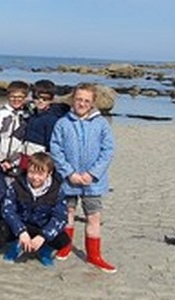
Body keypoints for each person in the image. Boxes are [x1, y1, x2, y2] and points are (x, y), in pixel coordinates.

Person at [50, 83, 116, 273]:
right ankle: (65, 246)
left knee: (93, 217)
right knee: (67, 214)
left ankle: (94, 256)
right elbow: (56, 150)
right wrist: (69, 173)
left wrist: (92, 174)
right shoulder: (62, 123)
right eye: (79, 99)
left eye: (86, 100)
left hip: (93, 182)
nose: (82, 103)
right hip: (68, 179)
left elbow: (108, 150)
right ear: (73, 99)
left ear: (93, 102)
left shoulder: (101, 123)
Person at [1, 153, 70, 267]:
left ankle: (45, 251)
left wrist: (43, 236)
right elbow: (7, 209)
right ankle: (15, 246)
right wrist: (21, 231)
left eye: (40, 174)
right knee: (2, 228)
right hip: (22, 222)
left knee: (63, 239)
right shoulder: (16, 185)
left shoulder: (56, 191)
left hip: (42, 225)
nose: (35, 177)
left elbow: (60, 217)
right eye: (31, 172)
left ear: (49, 173)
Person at [0, 80, 31, 177]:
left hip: (16, 162)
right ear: (7, 97)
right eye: (12, 97)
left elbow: (24, 141)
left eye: (20, 97)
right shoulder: (0, 113)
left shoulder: (27, 115)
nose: (16, 100)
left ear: (25, 98)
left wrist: (13, 160)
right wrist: (0, 159)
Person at [24, 79, 70, 155]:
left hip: (40, 159)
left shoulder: (52, 119)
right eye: (36, 97)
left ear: (52, 99)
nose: (40, 101)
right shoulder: (32, 114)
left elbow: (51, 144)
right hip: (26, 155)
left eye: (45, 98)